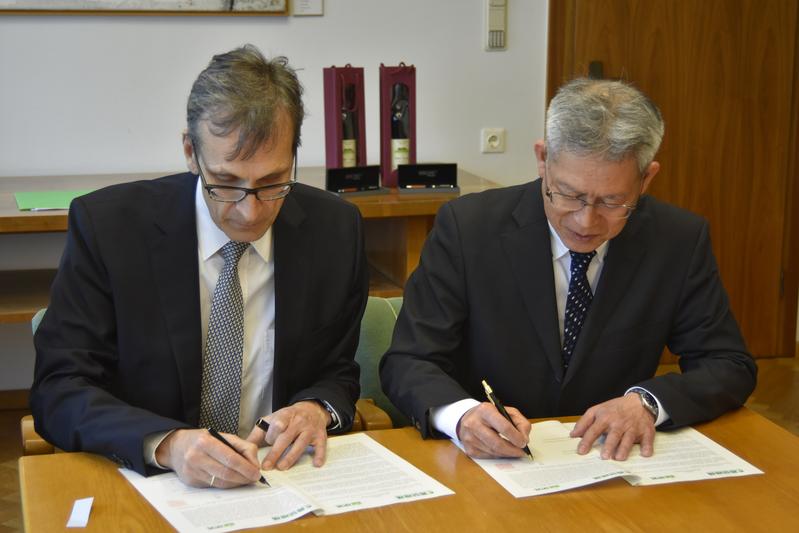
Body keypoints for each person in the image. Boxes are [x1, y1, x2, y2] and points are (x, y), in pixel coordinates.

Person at [31, 45, 368, 488]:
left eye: (272, 182)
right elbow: (60, 387)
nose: (251, 213)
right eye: (226, 183)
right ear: (191, 153)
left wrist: (315, 408)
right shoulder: (111, 229)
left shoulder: (334, 230)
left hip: (279, 479)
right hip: (148, 481)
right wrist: (167, 443)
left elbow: (336, 369)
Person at [380, 78, 757, 462]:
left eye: (613, 201)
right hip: (487, 462)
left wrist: (646, 403)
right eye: (569, 194)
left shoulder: (677, 239)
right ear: (543, 159)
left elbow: (728, 364)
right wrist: (461, 417)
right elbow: (410, 359)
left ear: (647, 179)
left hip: (608, 461)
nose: (586, 221)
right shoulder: (468, 228)